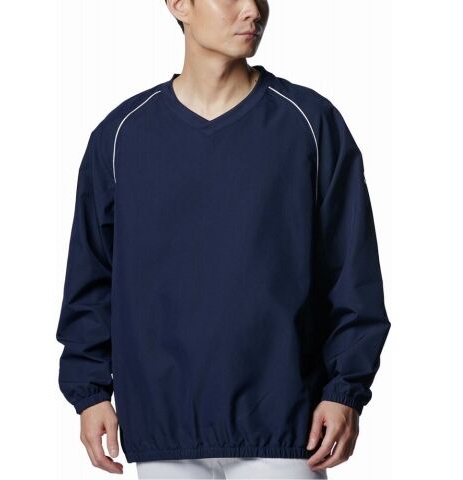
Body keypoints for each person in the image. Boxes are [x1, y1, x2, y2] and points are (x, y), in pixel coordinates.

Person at [55, 1, 391, 478]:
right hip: (162, 428)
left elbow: (352, 270)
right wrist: (89, 393)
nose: (252, 10)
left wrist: (345, 390)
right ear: (180, 5)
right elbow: (91, 277)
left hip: (286, 427)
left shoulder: (309, 123)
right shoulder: (121, 135)